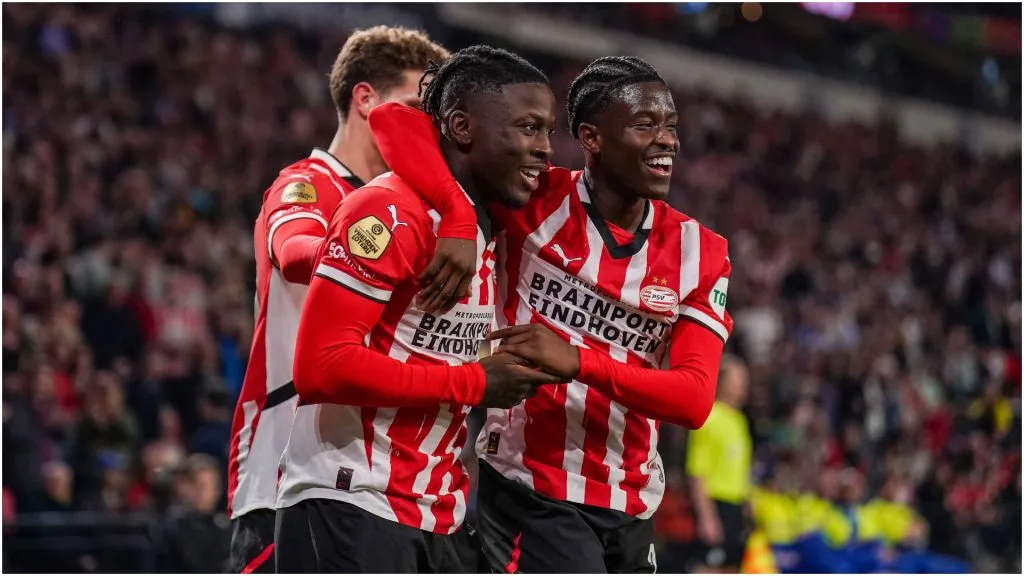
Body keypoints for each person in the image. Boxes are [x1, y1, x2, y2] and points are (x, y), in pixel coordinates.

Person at [369, 55, 733, 573]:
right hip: (531, 488)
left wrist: (578, 361)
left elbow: (694, 398)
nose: (666, 141)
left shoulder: (702, 251)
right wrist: (456, 214)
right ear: (591, 137)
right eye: (644, 124)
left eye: (671, 126)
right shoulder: (534, 197)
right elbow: (390, 119)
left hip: (633, 500)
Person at [273, 45, 566, 574]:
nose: (545, 148)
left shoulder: (490, 223)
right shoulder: (388, 209)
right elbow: (321, 367)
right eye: (528, 128)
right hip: (352, 497)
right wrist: (475, 383)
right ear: (462, 127)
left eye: (548, 131)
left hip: (437, 510)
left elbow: (396, 121)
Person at [225, 26, 477, 574]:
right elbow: (293, 250)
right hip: (283, 469)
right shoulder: (307, 181)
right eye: (416, 106)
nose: (427, 128)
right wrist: (376, 259)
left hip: (380, 480)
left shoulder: (415, 207)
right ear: (366, 99)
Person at [686, 354, 752, 573]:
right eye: (737, 380)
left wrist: (746, 502)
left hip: (735, 505)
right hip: (715, 503)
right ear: (722, 381)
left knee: (732, 566)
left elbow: (741, 467)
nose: (743, 386)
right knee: (707, 567)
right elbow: (697, 472)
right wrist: (707, 517)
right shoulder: (709, 417)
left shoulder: (740, 420)